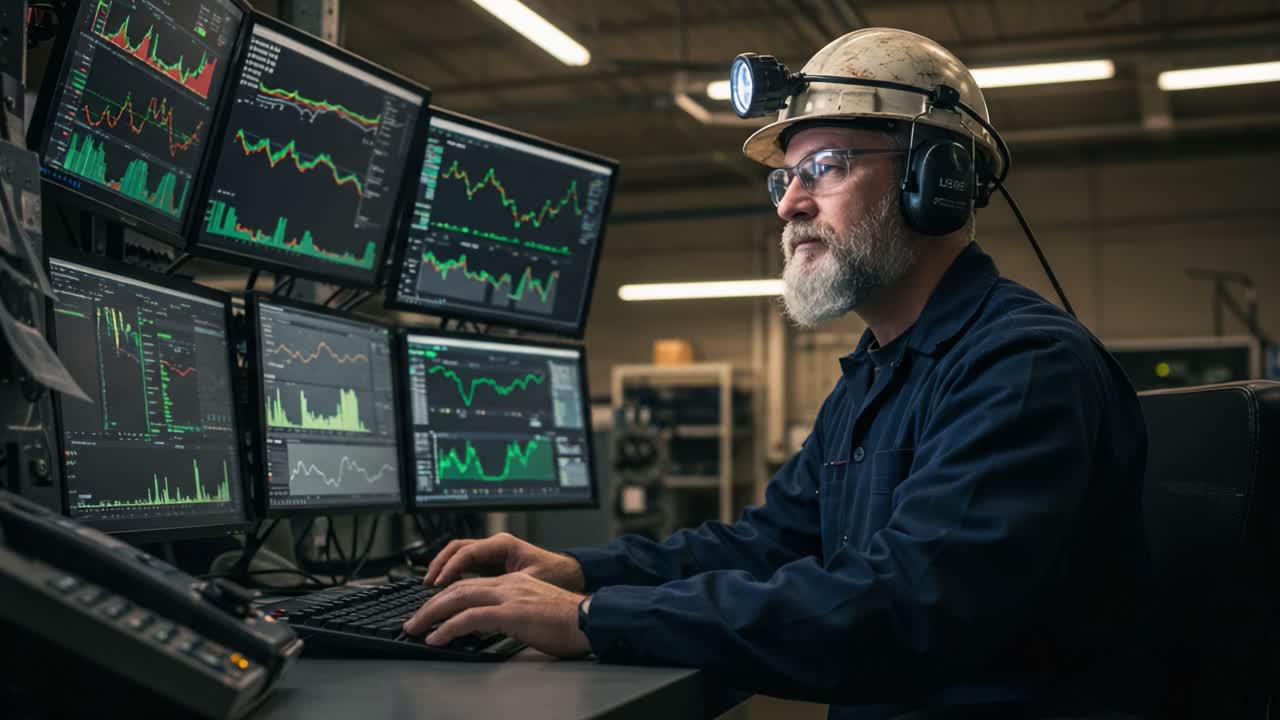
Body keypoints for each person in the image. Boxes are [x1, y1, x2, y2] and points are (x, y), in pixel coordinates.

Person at [404, 28, 1149, 719]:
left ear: (937, 181)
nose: (791, 202)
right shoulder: (875, 375)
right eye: (785, 179)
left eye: (825, 167)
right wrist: (578, 572)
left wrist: (593, 621)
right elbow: (767, 545)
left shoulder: (1019, 365)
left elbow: (908, 606)